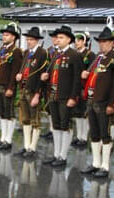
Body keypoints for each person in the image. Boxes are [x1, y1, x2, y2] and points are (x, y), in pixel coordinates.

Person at [80, 24, 114, 178]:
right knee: (94, 133)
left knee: (105, 135)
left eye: (105, 41)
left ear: (113, 42)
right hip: (93, 100)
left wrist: (112, 104)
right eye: (100, 41)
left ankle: (105, 166)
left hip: (104, 102)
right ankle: (95, 163)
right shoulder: (100, 58)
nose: (102, 44)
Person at [41, 25, 83, 167]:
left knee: (65, 126)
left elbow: (77, 79)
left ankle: (63, 156)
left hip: (66, 96)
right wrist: (46, 77)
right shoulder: (56, 54)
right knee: (56, 125)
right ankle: (56, 154)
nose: (58, 40)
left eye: (61, 37)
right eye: (57, 37)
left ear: (69, 39)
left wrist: (73, 97)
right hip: (53, 95)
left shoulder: (75, 55)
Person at [15, 26, 48, 159]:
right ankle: (26, 145)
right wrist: (20, 76)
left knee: (35, 120)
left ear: (37, 40)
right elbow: (24, 70)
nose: (29, 42)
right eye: (28, 39)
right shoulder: (26, 53)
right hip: (24, 89)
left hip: (34, 91)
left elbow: (42, 76)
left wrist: (38, 94)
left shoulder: (42, 53)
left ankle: (33, 148)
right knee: (25, 119)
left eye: (32, 39)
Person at [0, 23, 22, 150]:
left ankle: (8, 140)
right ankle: (2, 138)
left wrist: (11, 88)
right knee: (2, 113)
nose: (4, 37)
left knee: (9, 113)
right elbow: (0, 65)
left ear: (13, 37)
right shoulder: (3, 49)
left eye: (7, 35)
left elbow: (15, 71)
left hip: (7, 86)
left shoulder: (16, 51)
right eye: (3, 35)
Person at [72, 31, 96, 148]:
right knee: (77, 113)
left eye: (79, 40)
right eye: (76, 40)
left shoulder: (90, 55)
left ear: (84, 42)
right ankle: (78, 136)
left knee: (84, 112)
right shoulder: (75, 54)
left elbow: (93, 72)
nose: (76, 43)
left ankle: (84, 137)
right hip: (76, 86)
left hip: (85, 87)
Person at [41, 29, 59, 140]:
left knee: (56, 108)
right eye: (53, 37)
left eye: (56, 37)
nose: (54, 39)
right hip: (48, 83)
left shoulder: (62, 52)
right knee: (49, 108)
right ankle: (51, 129)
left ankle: (55, 130)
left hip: (57, 83)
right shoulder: (49, 51)